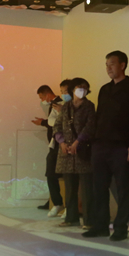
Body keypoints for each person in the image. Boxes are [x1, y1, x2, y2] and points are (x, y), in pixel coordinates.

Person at [84, 50, 129, 242]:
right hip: (100, 144)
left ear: (122, 65)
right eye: (106, 65)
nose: (108, 68)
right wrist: (94, 142)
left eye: (111, 64)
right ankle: (101, 226)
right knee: (99, 187)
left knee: (122, 188)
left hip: (122, 146)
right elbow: (99, 117)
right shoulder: (104, 89)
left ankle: (121, 228)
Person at [54, 78, 96, 228]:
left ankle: (89, 220)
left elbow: (90, 127)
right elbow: (57, 126)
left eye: (85, 88)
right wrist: (62, 142)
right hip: (66, 153)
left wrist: (77, 142)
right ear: (73, 89)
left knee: (86, 189)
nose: (82, 90)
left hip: (82, 151)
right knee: (70, 188)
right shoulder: (66, 107)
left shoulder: (89, 106)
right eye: (79, 87)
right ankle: (71, 218)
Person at [33, 85, 63, 214]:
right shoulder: (55, 105)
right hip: (54, 144)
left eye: (41, 97)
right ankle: (54, 200)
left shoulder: (60, 104)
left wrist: (43, 123)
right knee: (51, 174)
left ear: (47, 94)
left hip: (59, 144)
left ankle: (57, 202)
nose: (42, 101)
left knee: (52, 174)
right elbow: (52, 122)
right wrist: (44, 122)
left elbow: (56, 123)